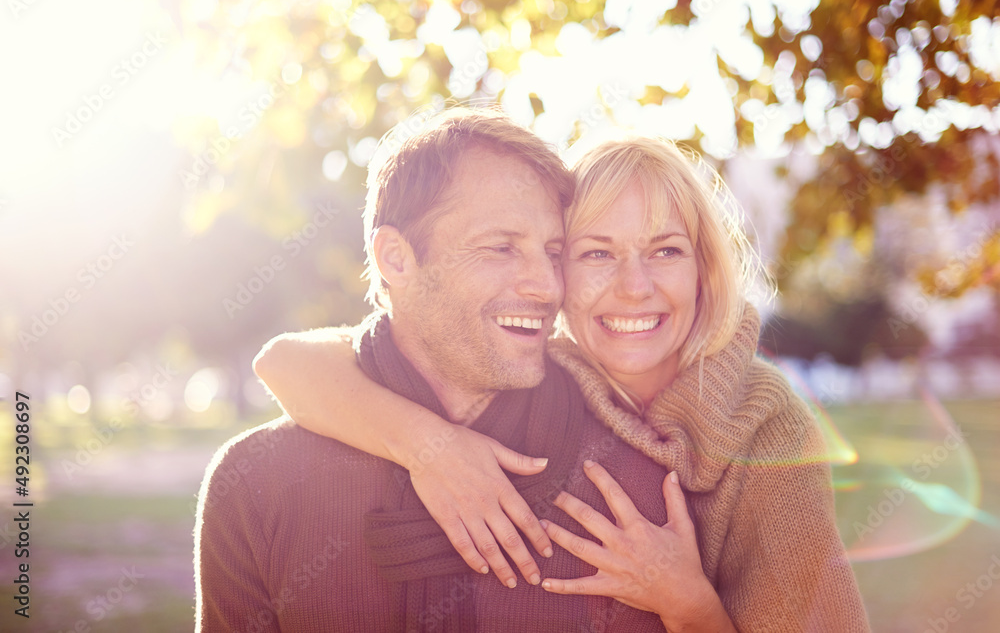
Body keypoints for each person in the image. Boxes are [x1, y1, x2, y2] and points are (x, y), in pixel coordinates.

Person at [254, 132, 873, 631]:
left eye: (665, 252)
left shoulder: (761, 423)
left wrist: (688, 605)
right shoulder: (539, 366)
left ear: (704, 272)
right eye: (596, 254)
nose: (635, 287)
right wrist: (428, 447)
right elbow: (289, 362)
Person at [195, 107, 722, 632]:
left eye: (553, 252)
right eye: (501, 247)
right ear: (396, 260)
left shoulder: (636, 499)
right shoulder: (257, 485)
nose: (547, 287)